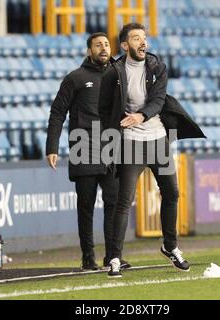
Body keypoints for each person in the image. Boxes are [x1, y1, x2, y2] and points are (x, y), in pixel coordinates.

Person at [99, 23, 193, 278]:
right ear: (125, 45)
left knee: (172, 192)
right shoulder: (113, 72)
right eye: (136, 38)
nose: (143, 42)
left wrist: (141, 115)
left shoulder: (157, 67)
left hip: (158, 138)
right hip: (130, 140)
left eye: (144, 38)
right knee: (124, 201)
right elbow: (104, 107)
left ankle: (170, 246)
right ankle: (115, 257)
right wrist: (113, 132)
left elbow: (159, 100)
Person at [46, 33, 131, 270]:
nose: (104, 48)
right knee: (86, 205)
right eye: (98, 45)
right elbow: (57, 112)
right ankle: (88, 257)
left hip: (112, 147)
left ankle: (113, 256)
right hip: (83, 146)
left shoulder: (119, 75)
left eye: (106, 44)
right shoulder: (75, 78)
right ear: (88, 51)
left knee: (114, 203)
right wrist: (52, 146)